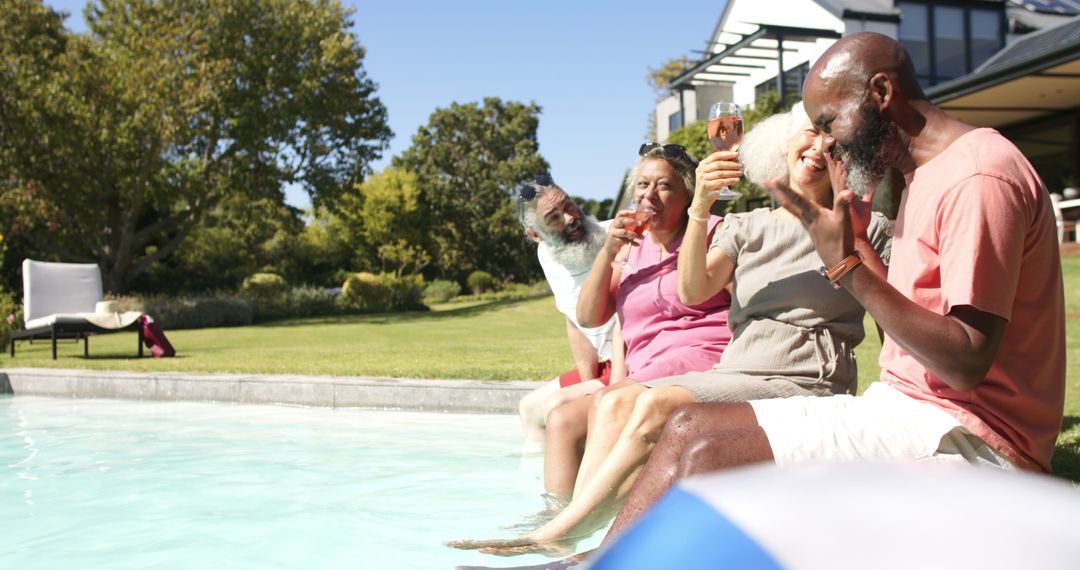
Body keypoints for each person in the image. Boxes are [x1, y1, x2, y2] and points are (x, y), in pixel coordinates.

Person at [602, 31, 1065, 548]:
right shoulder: (921, 174)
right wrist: (858, 242)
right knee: (688, 426)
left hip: (978, 439)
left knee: (710, 457)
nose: (826, 144)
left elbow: (966, 361)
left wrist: (845, 263)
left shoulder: (976, 177)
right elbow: (910, 319)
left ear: (881, 92)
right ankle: (596, 560)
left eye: (829, 123)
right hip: (906, 407)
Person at [453, 103, 893, 555]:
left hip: (798, 375)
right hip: (738, 370)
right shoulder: (745, 226)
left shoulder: (867, 229)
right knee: (613, 406)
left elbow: (889, 320)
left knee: (643, 404)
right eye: (809, 131)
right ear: (783, 145)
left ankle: (565, 538)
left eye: (832, 139)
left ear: (848, 156)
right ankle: (576, 537)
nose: (819, 145)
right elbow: (685, 292)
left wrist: (852, 242)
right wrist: (696, 207)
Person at [516, 178, 617, 445]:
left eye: (569, 206)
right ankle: (538, 472)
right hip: (606, 367)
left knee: (558, 408)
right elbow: (573, 322)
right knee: (529, 410)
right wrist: (587, 385)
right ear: (536, 235)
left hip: (633, 364)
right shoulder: (547, 255)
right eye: (554, 217)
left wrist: (595, 393)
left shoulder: (617, 237)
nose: (570, 218)